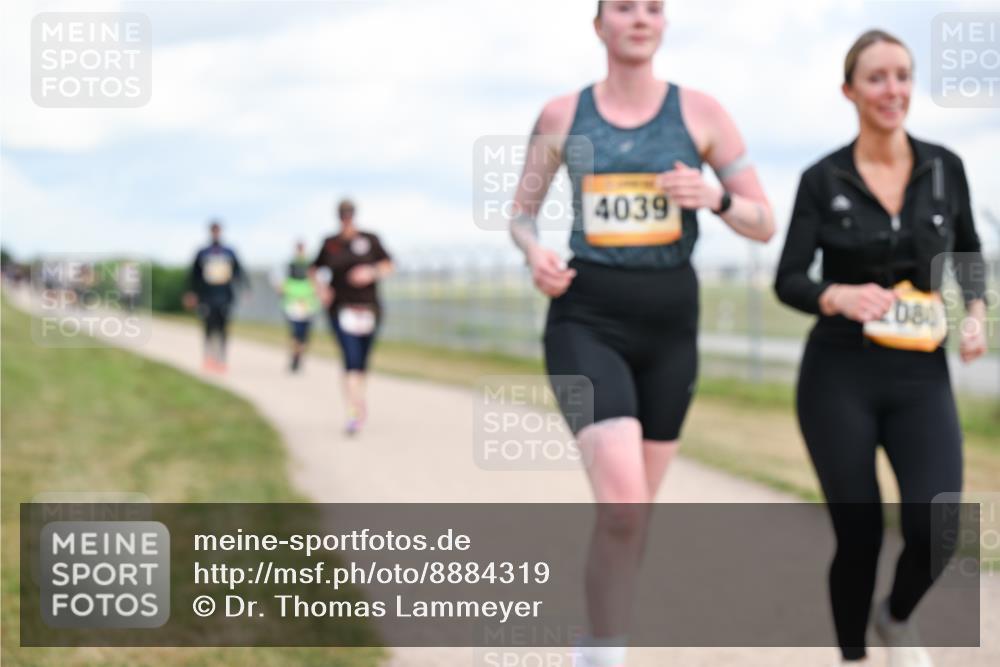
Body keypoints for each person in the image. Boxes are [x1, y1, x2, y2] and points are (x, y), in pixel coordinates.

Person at [508, 2, 774, 665]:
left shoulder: (702, 113)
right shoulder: (563, 115)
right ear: (599, 25)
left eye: (652, 7)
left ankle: (596, 637)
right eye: (623, 7)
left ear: (664, 24)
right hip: (587, 318)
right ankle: (604, 655)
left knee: (633, 514)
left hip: (671, 326)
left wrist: (713, 197)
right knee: (624, 506)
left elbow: (764, 221)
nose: (639, 18)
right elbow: (521, 214)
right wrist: (534, 252)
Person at [774, 30, 988, 667]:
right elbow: (789, 278)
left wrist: (975, 315)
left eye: (902, 75)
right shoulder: (823, 178)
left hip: (921, 375)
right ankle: (853, 656)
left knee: (937, 527)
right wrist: (835, 295)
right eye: (876, 77)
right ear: (850, 91)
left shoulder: (945, 167)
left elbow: (968, 255)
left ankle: (895, 619)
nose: (892, 89)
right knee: (860, 533)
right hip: (839, 373)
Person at [311, 199, 393, 435]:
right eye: (342, 214)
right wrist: (321, 290)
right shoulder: (330, 244)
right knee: (350, 359)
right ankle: (352, 411)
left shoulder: (370, 240)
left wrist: (371, 272)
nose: (346, 218)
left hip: (369, 309)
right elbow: (313, 269)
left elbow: (389, 264)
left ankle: (358, 399)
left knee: (363, 362)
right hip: (341, 309)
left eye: (349, 214)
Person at [184, 220, 248, 373]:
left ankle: (221, 358)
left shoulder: (229, 252)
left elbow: (239, 271)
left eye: (217, 230)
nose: (216, 233)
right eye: (213, 230)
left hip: (225, 296)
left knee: (223, 328)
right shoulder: (203, 252)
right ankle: (208, 357)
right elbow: (194, 275)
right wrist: (191, 293)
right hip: (207, 296)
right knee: (208, 327)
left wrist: (245, 288)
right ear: (210, 232)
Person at [280, 241, 320, 373]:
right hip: (293, 304)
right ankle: (295, 356)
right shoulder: (290, 264)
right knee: (295, 334)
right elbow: (282, 285)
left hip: (308, 305)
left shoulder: (310, 264)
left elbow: (316, 283)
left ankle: (298, 356)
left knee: (304, 336)